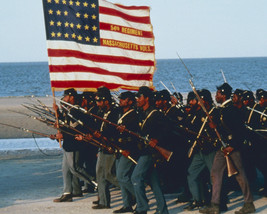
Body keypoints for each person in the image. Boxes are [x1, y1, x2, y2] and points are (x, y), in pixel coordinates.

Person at [200, 83, 255, 214]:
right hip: (222, 147)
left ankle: (249, 204)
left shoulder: (231, 109)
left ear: (223, 95)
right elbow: (223, 128)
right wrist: (215, 126)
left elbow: (240, 131)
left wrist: (232, 146)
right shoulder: (223, 109)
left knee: (240, 175)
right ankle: (215, 205)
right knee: (215, 173)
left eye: (218, 93)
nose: (216, 96)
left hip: (232, 147)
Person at [51, 88, 95, 202]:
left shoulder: (76, 111)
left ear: (71, 97)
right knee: (65, 169)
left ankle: (96, 182)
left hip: (74, 144)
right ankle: (67, 193)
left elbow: (74, 129)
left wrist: (63, 135)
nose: (64, 98)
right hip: (68, 144)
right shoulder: (69, 110)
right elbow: (66, 125)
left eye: (66, 96)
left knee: (75, 168)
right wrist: (58, 115)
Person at [131, 86, 169, 214]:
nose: (137, 99)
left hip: (150, 152)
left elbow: (167, 130)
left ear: (147, 98)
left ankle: (142, 208)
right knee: (154, 182)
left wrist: (157, 140)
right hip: (144, 150)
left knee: (135, 178)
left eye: (140, 97)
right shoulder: (142, 113)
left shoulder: (156, 114)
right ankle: (163, 210)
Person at [184, 89, 218, 211]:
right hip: (200, 150)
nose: (197, 103)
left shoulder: (214, 112)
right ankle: (197, 200)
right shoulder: (198, 113)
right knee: (191, 173)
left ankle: (216, 202)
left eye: (200, 100)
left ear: (205, 100)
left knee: (214, 177)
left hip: (210, 150)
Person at [92, 86, 120, 209]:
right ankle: (103, 201)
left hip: (110, 147)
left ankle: (131, 192)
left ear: (106, 101)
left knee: (109, 174)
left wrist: (103, 136)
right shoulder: (101, 112)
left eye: (99, 101)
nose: (97, 104)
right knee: (100, 174)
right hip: (102, 147)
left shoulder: (114, 112)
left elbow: (115, 131)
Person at [113, 91, 139, 213]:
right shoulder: (120, 113)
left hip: (128, 149)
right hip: (120, 147)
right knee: (120, 177)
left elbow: (136, 135)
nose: (120, 101)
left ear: (129, 101)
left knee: (122, 176)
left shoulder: (134, 115)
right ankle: (127, 204)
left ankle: (140, 198)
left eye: (123, 99)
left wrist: (130, 149)